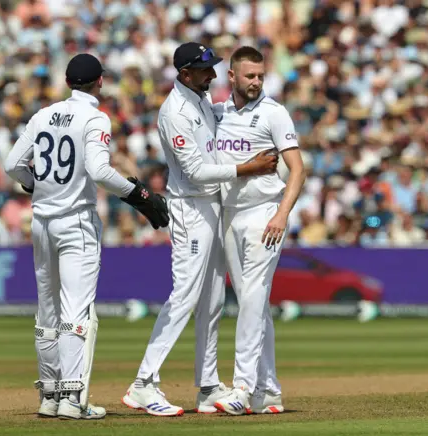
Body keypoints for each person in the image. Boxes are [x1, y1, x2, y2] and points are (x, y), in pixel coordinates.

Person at [3, 53, 169, 420]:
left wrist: (36, 188)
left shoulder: (43, 115)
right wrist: (140, 196)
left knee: (47, 312)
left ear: (66, 81)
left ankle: (49, 396)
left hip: (42, 223)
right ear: (100, 82)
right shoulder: (95, 117)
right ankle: (72, 399)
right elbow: (99, 170)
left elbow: (12, 163)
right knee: (75, 313)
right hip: (75, 222)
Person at [121, 42, 279, 416]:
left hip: (213, 208)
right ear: (185, 73)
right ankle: (143, 383)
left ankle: (208, 385)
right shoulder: (174, 112)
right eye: (205, 69)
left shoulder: (201, 101)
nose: (212, 75)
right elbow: (194, 171)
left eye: (212, 67)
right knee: (186, 295)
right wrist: (246, 169)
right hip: (191, 208)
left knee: (212, 300)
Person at [211, 46, 306, 415]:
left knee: (251, 298)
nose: (255, 82)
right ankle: (270, 391)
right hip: (230, 215)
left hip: (265, 213)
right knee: (257, 304)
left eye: (260, 76)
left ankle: (242, 387)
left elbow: (297, 170)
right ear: (231, 77)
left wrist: (282, 214)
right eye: (249, 76)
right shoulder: (216, 113)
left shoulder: (274, 113)